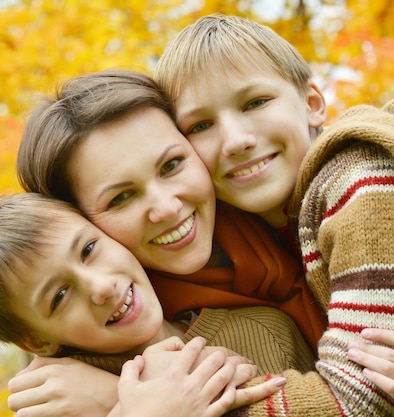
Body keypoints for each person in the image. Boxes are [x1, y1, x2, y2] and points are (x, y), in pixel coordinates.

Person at [11, 68, 330, 417]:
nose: (166, 208)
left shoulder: (297, 200)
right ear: (81, 219)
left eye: (172, 165)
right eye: (120, 198)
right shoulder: (99, 353)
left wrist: (115, 397)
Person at [152, 13, 394, 415]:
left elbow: (357, 401)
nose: (235, 141)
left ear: (313, 103)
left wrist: (143, 400)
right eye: (200, 125)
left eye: (255, 102)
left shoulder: (360, 183)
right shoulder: (251, 233)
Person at [0, 192, 292, 417]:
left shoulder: (261, 328)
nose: (101, 287)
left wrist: (116, 398)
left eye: (88, 250)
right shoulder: (57, 408)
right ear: (38, 341)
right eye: (59, 296)